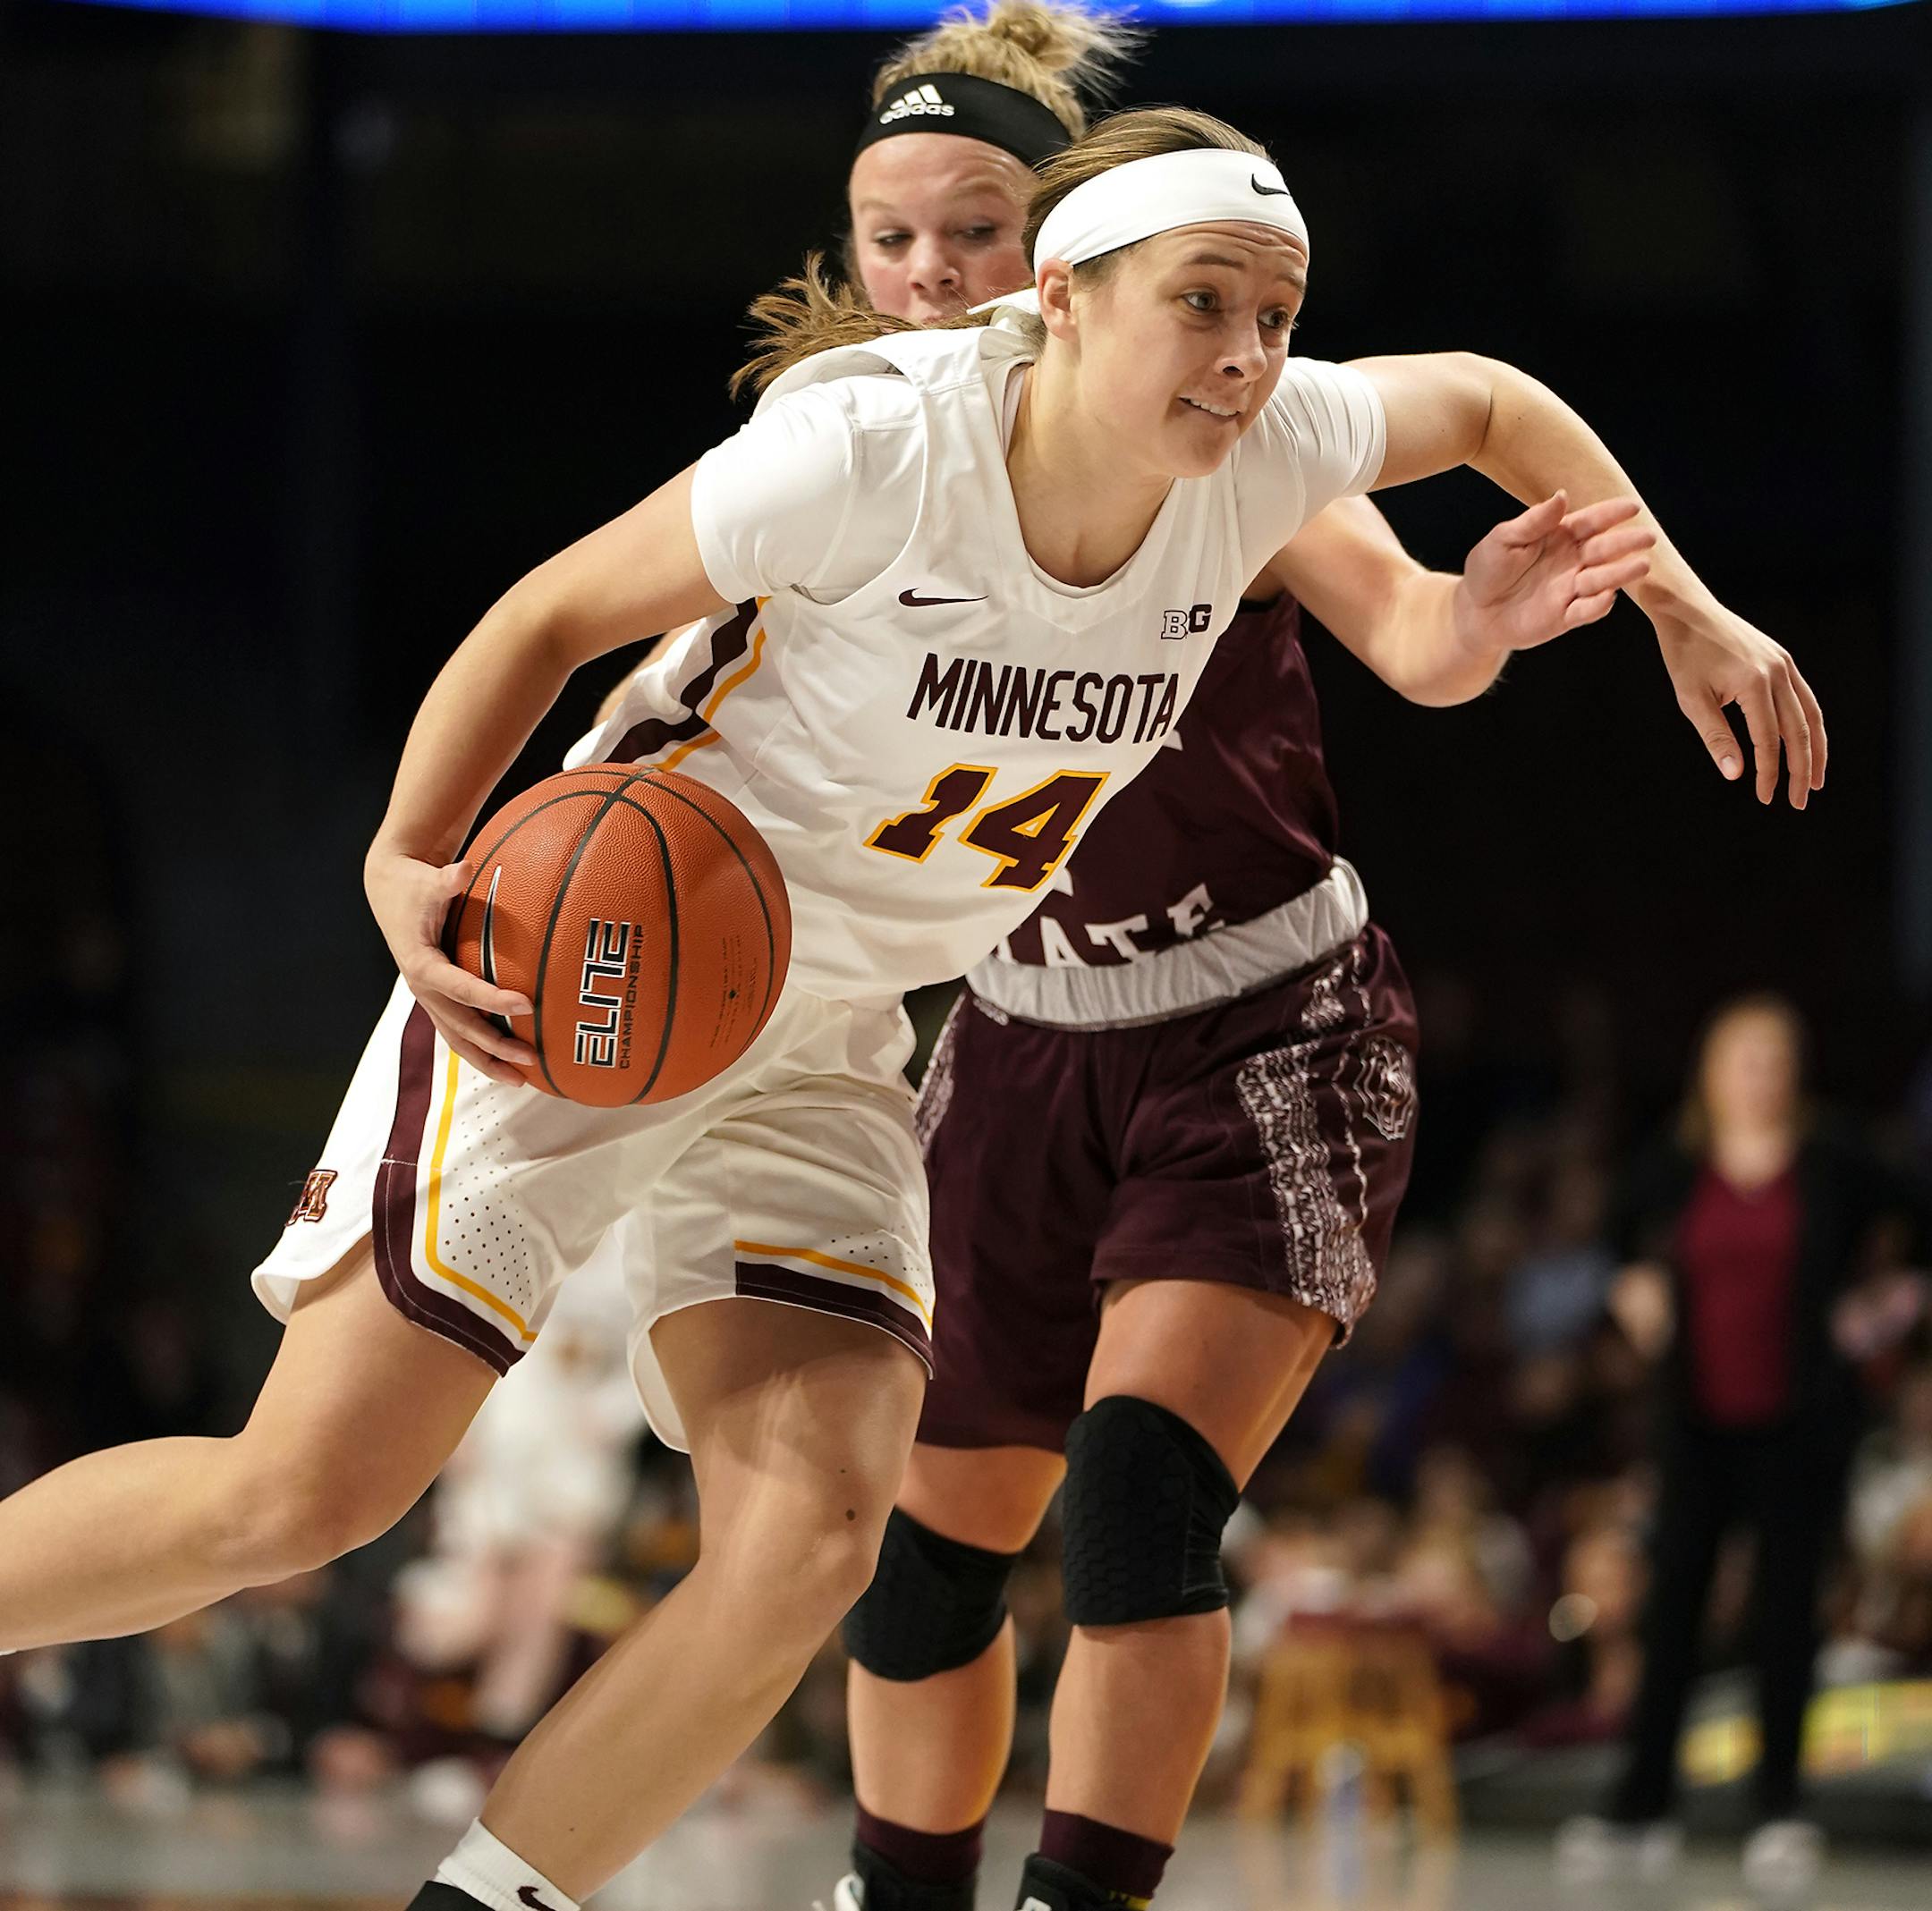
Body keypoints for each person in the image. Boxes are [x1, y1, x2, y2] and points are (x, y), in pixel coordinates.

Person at [0, 94, 1819, 1911]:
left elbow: (1489, 401)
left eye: (1277, 312)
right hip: (605, 968)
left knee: (813, 1540)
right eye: (1204, 302)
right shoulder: (873, 447)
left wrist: (1677, 610)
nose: (1250, 350)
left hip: (828, 1031)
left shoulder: (1266, 444)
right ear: (1067, 294)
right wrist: (407, 853)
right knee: (309, 1497)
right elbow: (550, 612)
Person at [807, 13, 1826, 1911]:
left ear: (1070, 258)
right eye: (894, 239)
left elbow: (1443, 574)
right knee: (923, 1553)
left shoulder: (1224, 429)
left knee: (1135, 1502)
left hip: (1257, 1021)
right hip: (1018, 1032)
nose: (934, 274)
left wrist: (1661, 611)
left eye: (977, 231)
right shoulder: (843, 462)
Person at [1559, 994, 1927, 1900]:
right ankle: (1641, 1808)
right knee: (1674, 1608)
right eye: (1743, 1060)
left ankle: (1779, 1807)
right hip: (1696, 1425)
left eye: (1772, 1061)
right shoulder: (1677, 1163)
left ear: (1793, 1074)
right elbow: (1615, 1237)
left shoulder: (1832, 1160)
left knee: (1786, 1613)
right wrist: (1635, 1293)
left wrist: (1875, 1318)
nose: (1758, 1077)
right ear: (1711, 1074)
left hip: (1800, 1426)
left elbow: (1917, 1224)